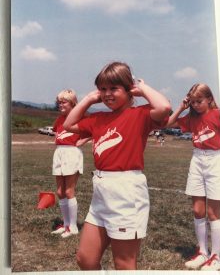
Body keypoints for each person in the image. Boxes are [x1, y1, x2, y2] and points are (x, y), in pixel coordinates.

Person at [64, 61, 171, 270]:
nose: (107, 94)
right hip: (101, 192)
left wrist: (142, 89)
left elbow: (164, 107)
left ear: (128, 89)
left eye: (114, 88)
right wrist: (88, 99)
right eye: (102, 89)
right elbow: (68, 124)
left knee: (124, 264)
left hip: (126, 192)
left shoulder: (140, 115)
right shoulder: (98, 118)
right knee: (85, 259)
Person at [167, 83, 220, 271]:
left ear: (209, 99)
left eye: (199, 101)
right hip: (197, 159)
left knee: (213, 213)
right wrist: (181, 107)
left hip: (216, 159)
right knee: (198, 210)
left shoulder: (218, 115)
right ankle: (203, 252)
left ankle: (216, 257)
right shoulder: (191, 117)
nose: (196, 105)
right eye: (192, 102)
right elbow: (168, 123)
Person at [51, 89, 90, 238]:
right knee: (60, 192)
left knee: (69, 191)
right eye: (59, 102)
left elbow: (94, 131)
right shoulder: (60, 119)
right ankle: (66, 224)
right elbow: (57, 133)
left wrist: (83, 140)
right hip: (59, 153)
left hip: (72, 153)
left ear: (73, 103)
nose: (60, 104)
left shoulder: (80, 117)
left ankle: (73, 226)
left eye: (64, 102)